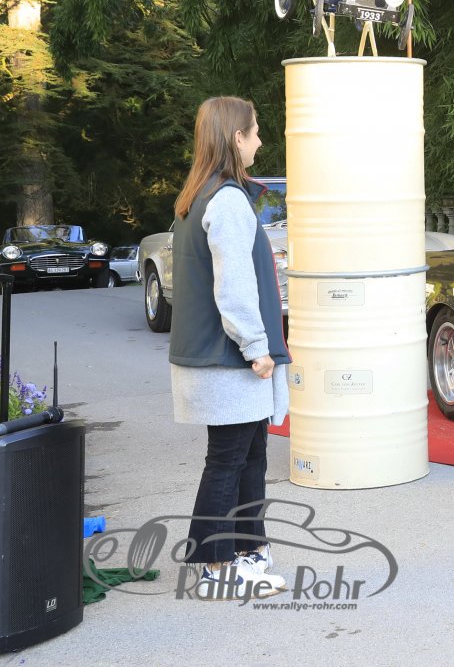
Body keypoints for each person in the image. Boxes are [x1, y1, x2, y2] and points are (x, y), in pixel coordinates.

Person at [168, 97, 291, 601]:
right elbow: (234, 286)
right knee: (228, 461)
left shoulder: (199, 195)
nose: (260, 139)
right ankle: (216, 565)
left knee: (248, 456)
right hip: (229, 360)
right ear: (236, 137)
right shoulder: (227, 201)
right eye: (255, 131)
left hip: (219, 359)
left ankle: (247, 552)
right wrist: (257, 347)